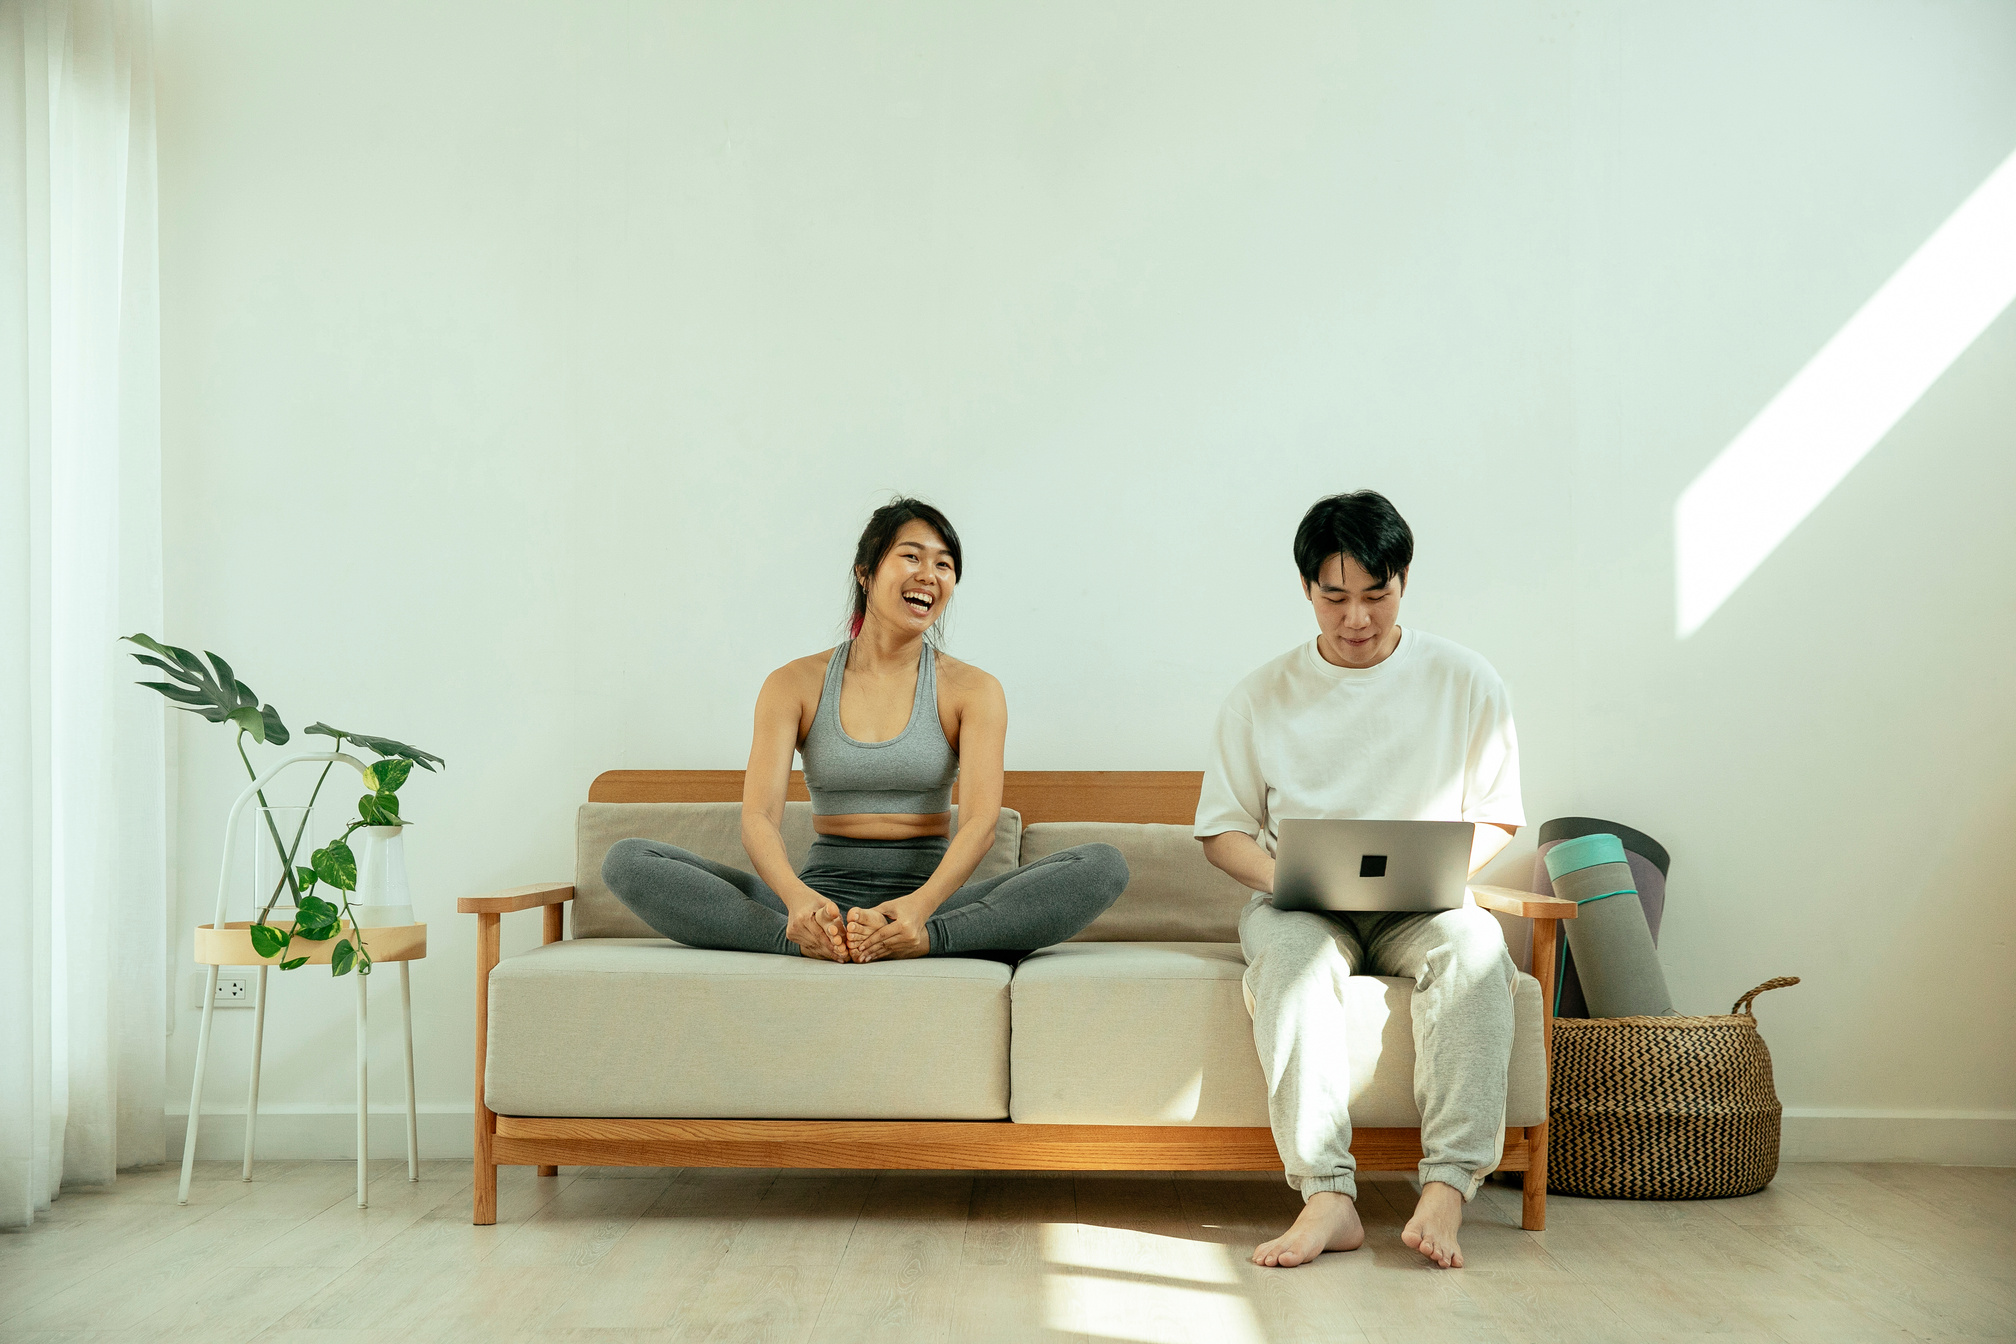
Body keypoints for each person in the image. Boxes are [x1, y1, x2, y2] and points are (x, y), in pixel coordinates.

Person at [1195, 491, 1524, 1271]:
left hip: (1422, 908)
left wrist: (1440, 875)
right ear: (1307, 589)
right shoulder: (1259, 696)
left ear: (1403, 582)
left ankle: (1447, 1187)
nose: (1356, 618)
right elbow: (1221, 832)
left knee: (1477, 943)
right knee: (1293, 960)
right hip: (1303, 906)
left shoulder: (1466, 680)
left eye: (1376, 595)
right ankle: (1327, 1196)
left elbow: (1500, 814)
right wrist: (1289, 879)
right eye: (1335, 597)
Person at [604, 497, 1128, 963]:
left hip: (931, 897)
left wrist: (919, 912)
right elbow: (759, 817)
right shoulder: (795, 683)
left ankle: (923, 939)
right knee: (628, 860)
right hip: (822, 894)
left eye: (945, 565)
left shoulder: (973, 689)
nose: (930, 574)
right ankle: (806, 938)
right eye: (912, 556)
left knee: (1102, 865)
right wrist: (799, 903)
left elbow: (979, 826)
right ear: (865, 571)